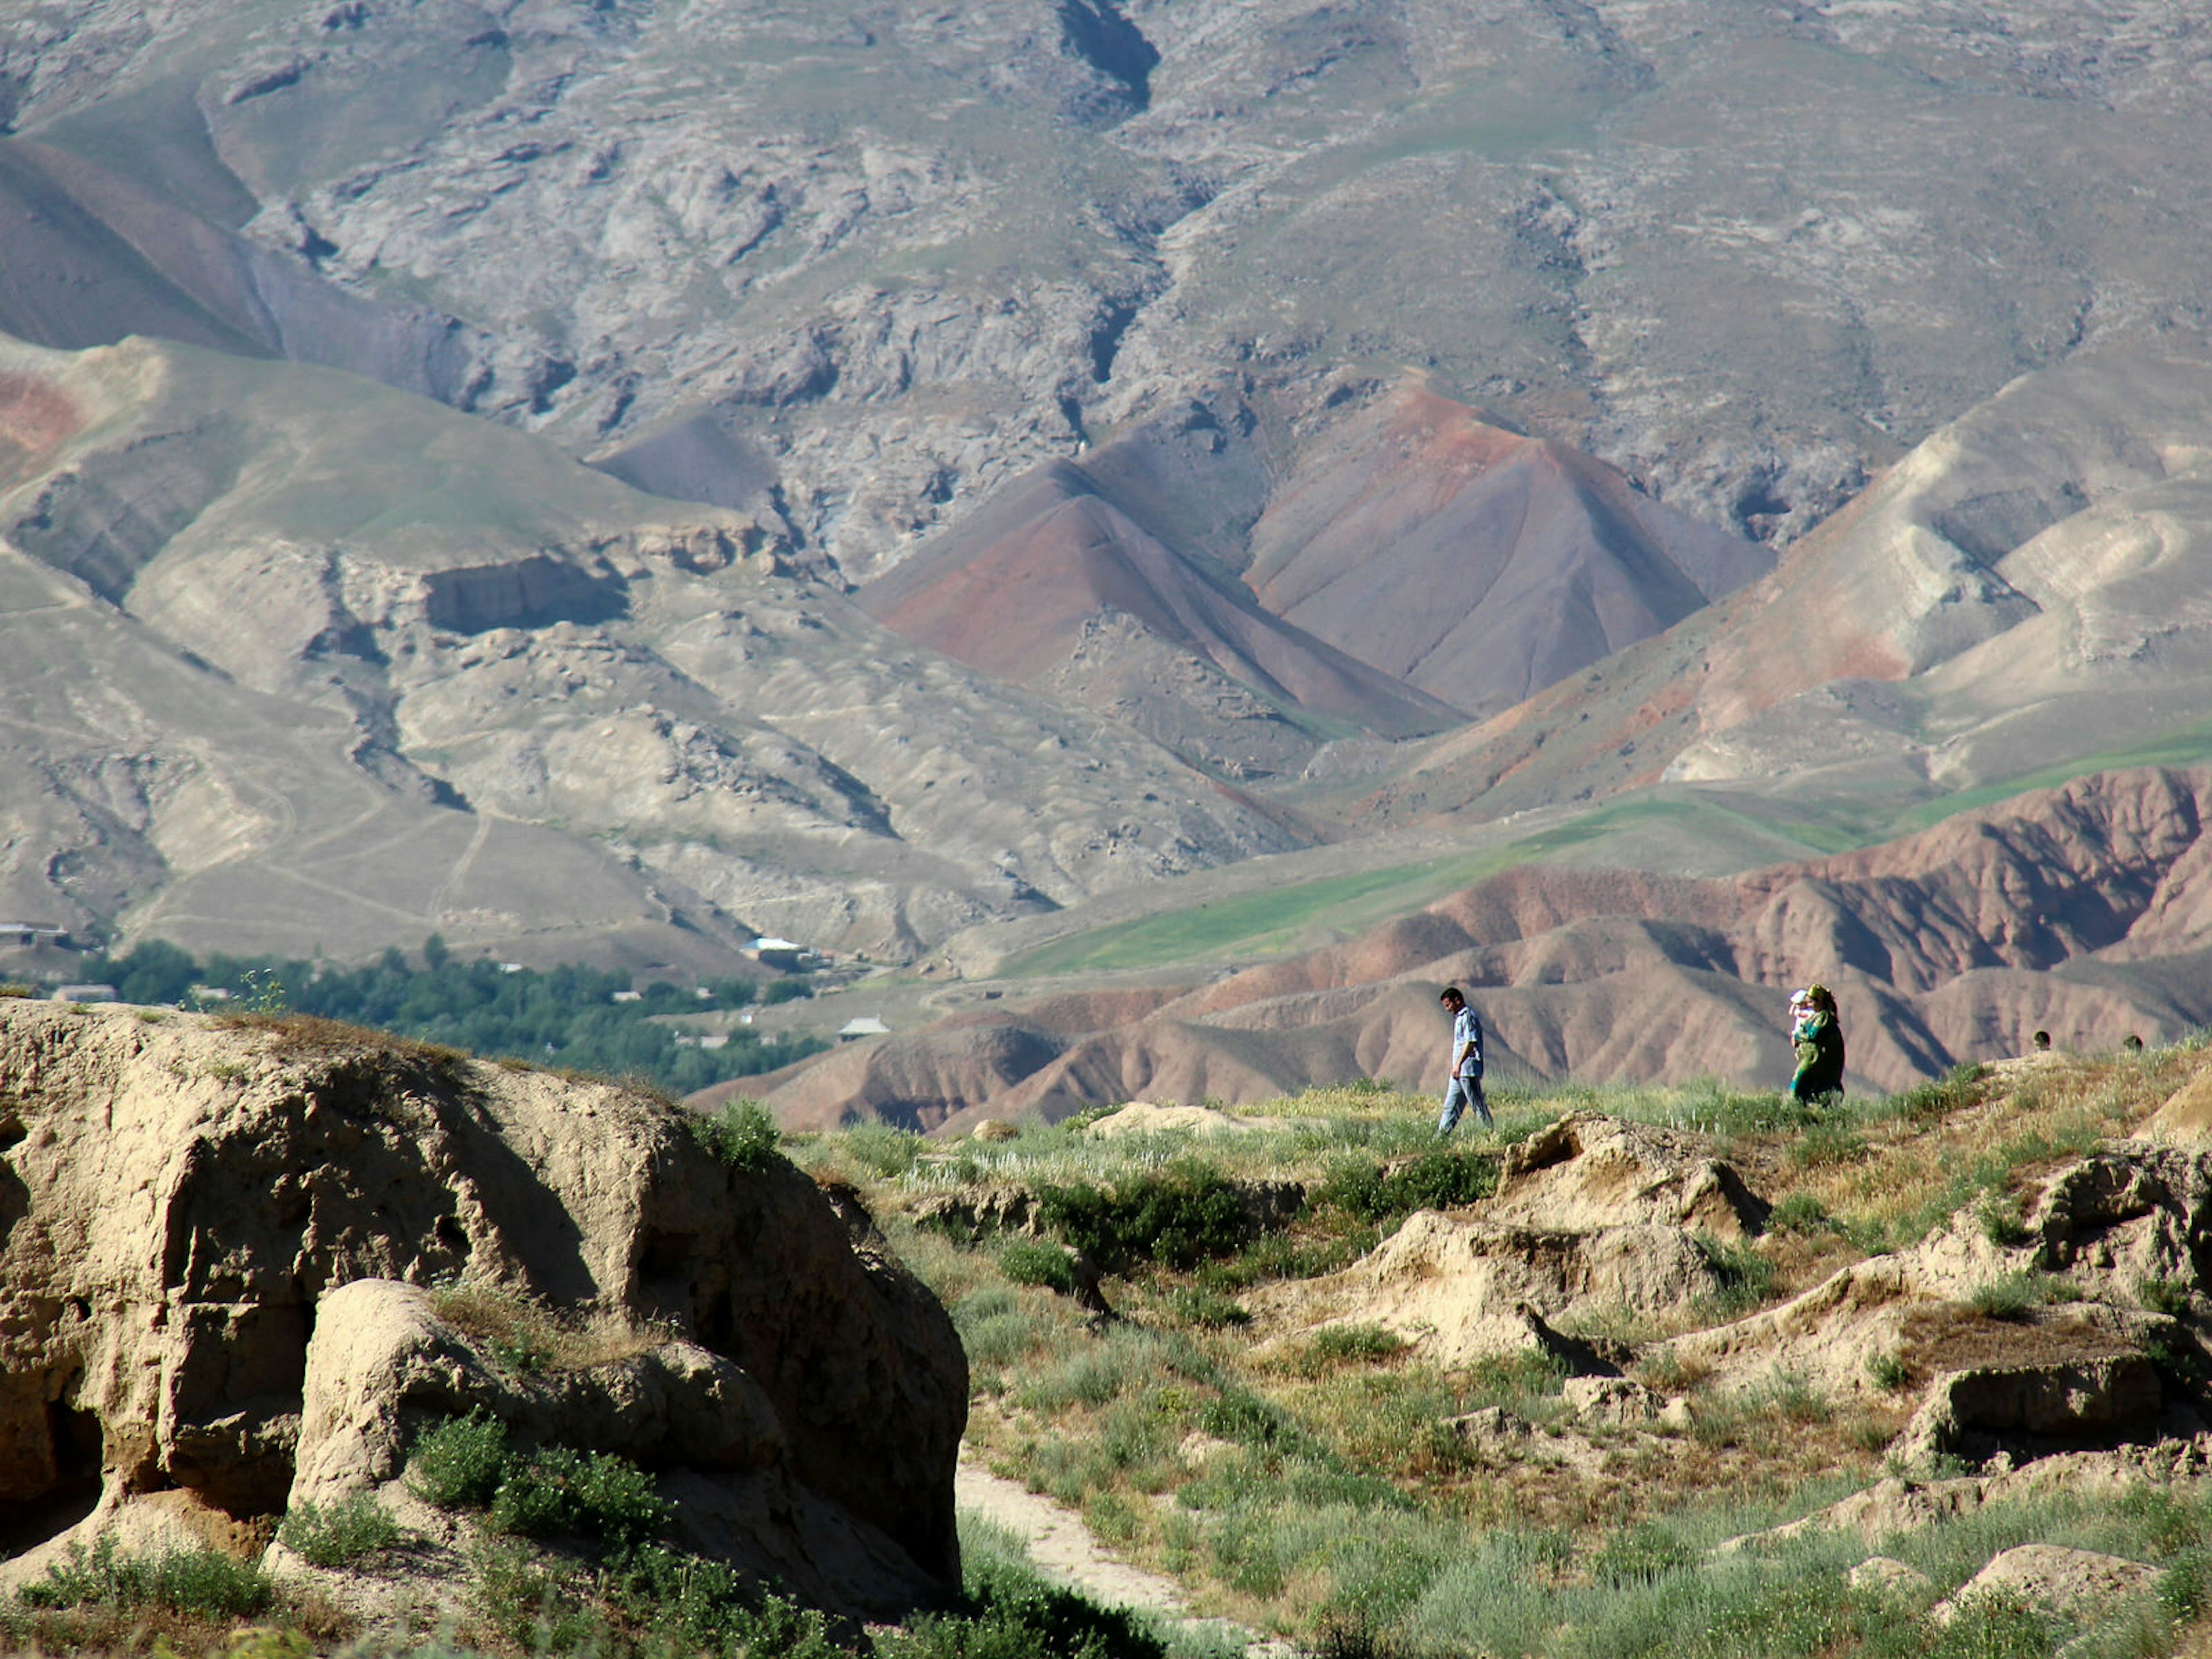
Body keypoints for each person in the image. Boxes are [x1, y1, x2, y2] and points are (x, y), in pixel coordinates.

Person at [1437, 986, 1491, 1134]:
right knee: (1450, 1106)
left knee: (1477, 1105)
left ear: (1457, 1000)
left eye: (1449, 1005)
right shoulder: (1460, 1018)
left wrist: (1459, 1065)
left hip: (1467, 1070)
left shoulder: (1468, 1017)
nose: (1447, 1009)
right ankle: (1440, 1139)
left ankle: (1491, 1133)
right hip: (1458, 1072)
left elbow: (1470, 1043)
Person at [1789, 983, 1844, 1104]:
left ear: (1819, 1001)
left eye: (1811, 1002)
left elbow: (1813, 1034)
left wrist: (1798, 1036)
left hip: (1819, 1059)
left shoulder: (1824, 1018)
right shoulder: (1817, 1017)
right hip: (1815, 1057)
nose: (1808, 1005)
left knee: (1800, 1080)